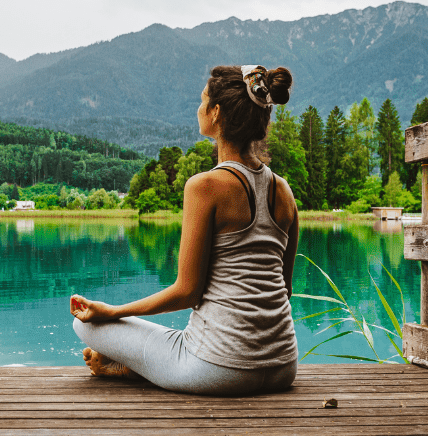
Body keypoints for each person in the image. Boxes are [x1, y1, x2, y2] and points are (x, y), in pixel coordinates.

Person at [69, 64, 299, 396]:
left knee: (86, 323)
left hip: (219, 370)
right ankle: (147, 368)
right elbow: (284, 290)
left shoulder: (205, 186)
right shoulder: (284, 191)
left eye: (203, 101)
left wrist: (112, 311)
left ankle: (144, 368)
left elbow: (187, 292)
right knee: (174, 339)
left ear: (216, 113)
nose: (199, 108)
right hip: (282, 367)